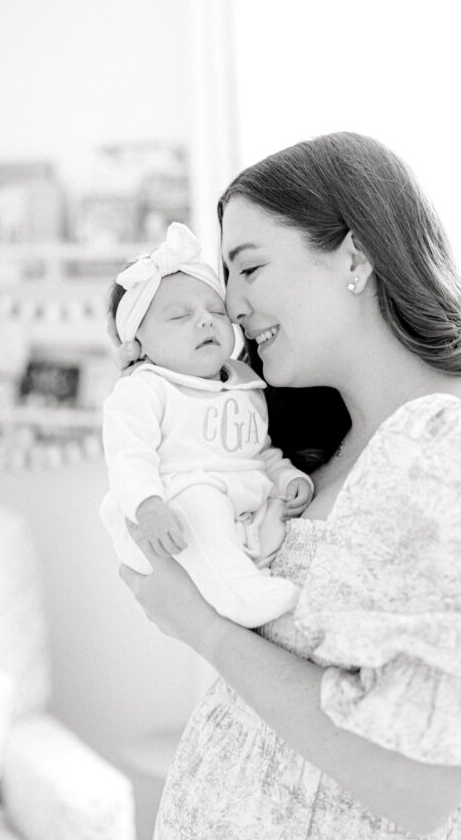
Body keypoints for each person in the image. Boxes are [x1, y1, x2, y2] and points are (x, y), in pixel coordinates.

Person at [116, 133, 461, 840]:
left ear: (356, 257)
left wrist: (201, 629)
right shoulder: (316, 446)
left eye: (249, 267)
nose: (232, 305)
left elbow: (418, 785)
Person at [100, 221, 313, 627]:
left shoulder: (245, 385)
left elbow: (258, 449)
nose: (205, 321)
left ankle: (253, 579)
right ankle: (242, 598)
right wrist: (148, 505)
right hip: (168, 518)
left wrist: (284, 477)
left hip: (238, 504)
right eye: (180, 316)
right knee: (199, 504)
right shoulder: (145, 389)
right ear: (139, 345)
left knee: (273, 510)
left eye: (215, 311)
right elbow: (128, 458)